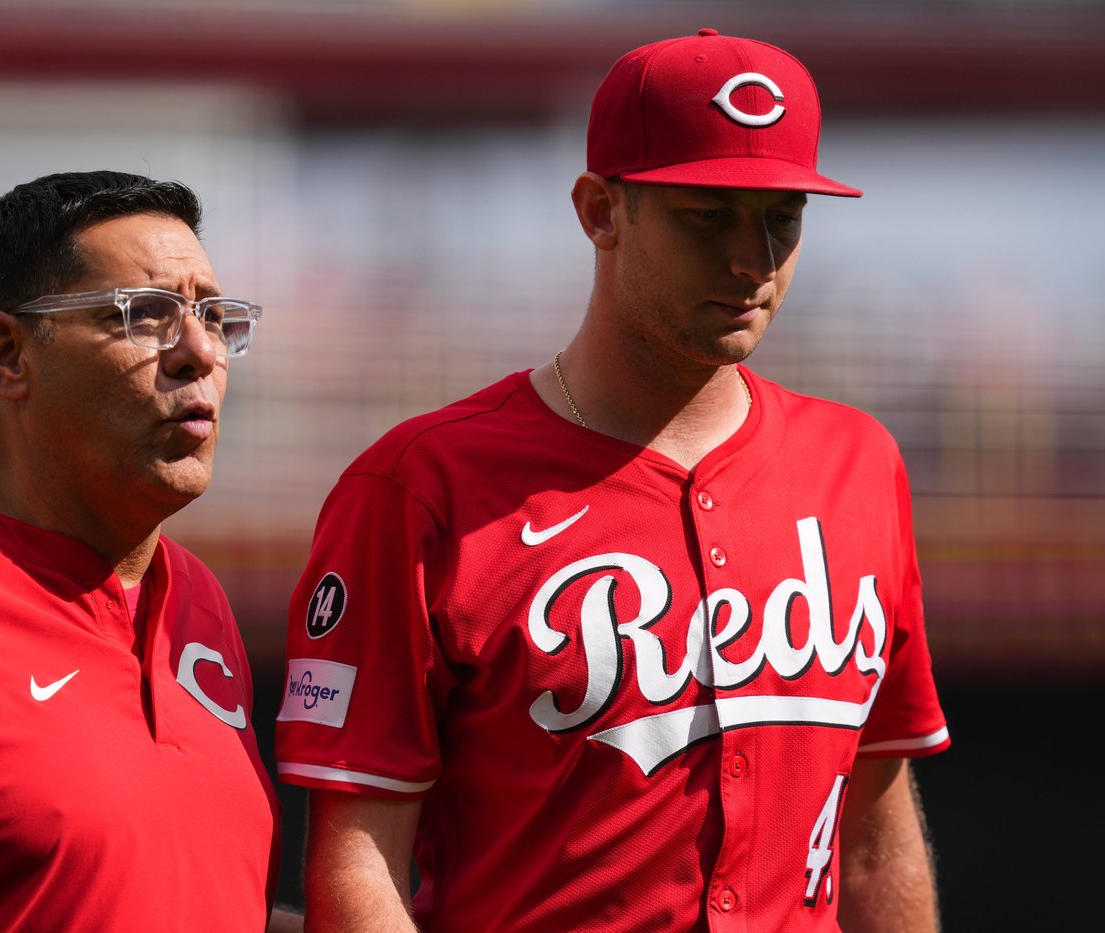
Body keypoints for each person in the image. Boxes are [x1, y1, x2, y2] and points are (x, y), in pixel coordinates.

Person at [277, 29, 950, 933]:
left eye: (781, 216)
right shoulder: (420, 485)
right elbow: (359, 857)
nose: (753, 259)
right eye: (707, 215)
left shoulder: (859, 463)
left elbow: (873, 829)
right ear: (600, 211)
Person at [0, 171, 300, 931]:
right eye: (145, 315)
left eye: (214, 317)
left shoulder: (197, 601)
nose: (198, 351)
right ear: (8, 354)